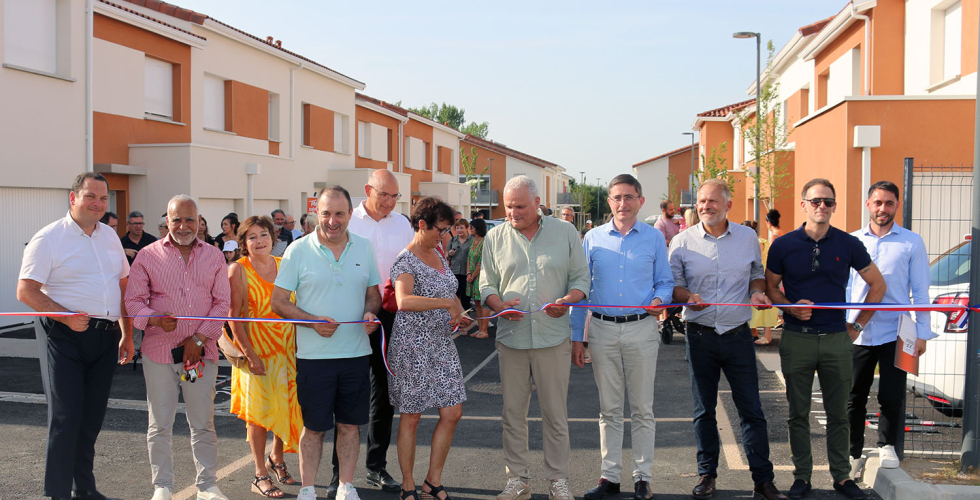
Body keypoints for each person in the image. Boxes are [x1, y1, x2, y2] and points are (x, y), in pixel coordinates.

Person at [765, 178, 886, 500]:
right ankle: (802, 477)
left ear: (834, 206)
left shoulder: (848, 244)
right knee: (798, 413)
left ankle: (842, 478)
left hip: (836, 339)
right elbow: (771, 288)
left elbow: (878, 286)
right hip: (797, 339)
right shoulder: (783, 245)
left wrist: (856, 327)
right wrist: (789, 307)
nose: (822, 207)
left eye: (828, 202)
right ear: (803, 204)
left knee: (839, 414)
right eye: (816, 201)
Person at [17, 172, 134, 500]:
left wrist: (127, 334)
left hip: (106, 338)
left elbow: (122, 286)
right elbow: (25, 290)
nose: (97, 204)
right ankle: (56, 494)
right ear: (73, 198)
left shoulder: (110, 235)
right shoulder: (49, 238)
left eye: (102, 198)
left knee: (91, 419)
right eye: (90, 196)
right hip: (64, 337)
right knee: (66, 416)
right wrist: (65, 316)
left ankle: (83, 489)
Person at [668, 179, 786, 500]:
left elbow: (755, 274)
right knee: (703, 410)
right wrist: (687, 296)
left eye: (713, 201)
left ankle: (763, 480)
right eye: (702, 202)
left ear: (728, 205)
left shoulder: (748, 238)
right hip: (700, 335)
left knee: (751, 410)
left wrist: (758, 291)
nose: (706, 206)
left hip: (737, 336)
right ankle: (707, 475)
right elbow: (673, 286)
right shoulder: (681, 242)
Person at [481, 175, 590, 500]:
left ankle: (557, 480)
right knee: (512, 414)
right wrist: (497, 303)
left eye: (520, 207)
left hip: (552, 338)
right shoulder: (495, 237)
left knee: (554, 414)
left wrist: (568, 301)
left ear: (538, 203)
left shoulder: (566, 232)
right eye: (508, 207)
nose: (513, 213)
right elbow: (486, 283)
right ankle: (518, 480)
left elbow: (581, 278)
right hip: (511, 339)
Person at [271, 185, 382, 500]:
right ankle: (308, 489)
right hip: (313, 358)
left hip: (356, 354)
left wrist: (371, 313)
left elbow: (373, 294)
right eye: (326, 214)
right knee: (315, 428)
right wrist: (311, 321)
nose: (333, 221)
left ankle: (346, 486)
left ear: (349, 214)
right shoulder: (298, 250)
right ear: (315, 214)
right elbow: (278, 302)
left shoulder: (364, 247)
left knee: (349, 426)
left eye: (339, 214)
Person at [570, 174, 673, 500]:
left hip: (642, 328)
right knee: (609, 410)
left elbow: (665, 282)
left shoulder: (654, 238)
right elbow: (581, 289)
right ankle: (609, 477)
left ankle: (643, 477)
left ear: (640, 201)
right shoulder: (593, 238)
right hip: (601, 330)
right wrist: (577, 336)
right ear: (610, 202)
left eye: (629, 197)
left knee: (643, 408)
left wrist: (660, 301)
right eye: (617, 197)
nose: (622, 203)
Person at [125, 195, 231, 500]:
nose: (183, 226)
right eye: (176, 220)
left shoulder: (213, 257)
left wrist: (198, 340)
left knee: (201, 421)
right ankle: (163, 486)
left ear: (198, 222)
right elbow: (133, 303)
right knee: (160, 423)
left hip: (196, 357)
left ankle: (207, 485)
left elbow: (222, 304)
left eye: (189, 220)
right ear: (166, 222)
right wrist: (154, 319)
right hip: (159, 356)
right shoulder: (147, 256)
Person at [388, 198, 472, 500]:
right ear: (421, 224)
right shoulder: (405, 260)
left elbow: (449, 291)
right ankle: (408, 484)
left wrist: (459, 314)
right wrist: (446, 304)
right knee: (411, 416)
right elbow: (404, 301)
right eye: (441, 229)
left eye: (449, 229)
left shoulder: (438, 251)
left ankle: (432, 480)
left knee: (453, 412)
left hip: (441, 344)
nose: (446, 235)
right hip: (413, 345)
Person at [847, 181, 933, 474]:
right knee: (853, 395)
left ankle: (887, 446)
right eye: (878, 203)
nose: (883, 209)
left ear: (897, 205)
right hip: (857, 331)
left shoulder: (912, 242)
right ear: (868, 204)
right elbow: (844, 288)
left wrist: (923, 332)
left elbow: (921, 291)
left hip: (898, 331)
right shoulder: (852, 241)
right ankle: (852, 452)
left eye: (889, 203)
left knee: (892, 395)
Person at [337, 168, 413, 496]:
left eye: (395, 196)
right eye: (384, 194)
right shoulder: (346, 221)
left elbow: (413, 263)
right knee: (348, 392)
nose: (390, 202)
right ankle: (339, 473)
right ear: (367, 189)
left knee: (384, 393)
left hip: (391, 315)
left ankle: (375, 466)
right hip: (352, 316)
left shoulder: (402, 223)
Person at [228, 215, 303, 498]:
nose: (259, 241)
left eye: (264, 235)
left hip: (287, 351)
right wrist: (250, 354)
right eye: (252, 237)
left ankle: (277, 459)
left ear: (273, 237)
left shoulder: (285, 266)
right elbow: (234, 317)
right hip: (257, 350)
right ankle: (260, 473)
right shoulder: (238, 270)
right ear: (244, 242)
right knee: (258, 415)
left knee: (283, 406)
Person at [741, 221, 778, 345]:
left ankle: (767, 335)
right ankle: (754, 332)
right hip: (754, 277)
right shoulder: (753, 242)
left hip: (761, 276)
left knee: (764, 308)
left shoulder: (758, 242)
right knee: (752, 307)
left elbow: (754, 259)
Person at [466, 219, 488, 338]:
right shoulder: (473, 241)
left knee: (483, 303)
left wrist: (473, 275)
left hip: (481, 276)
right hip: (472, 276)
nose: (470, 229)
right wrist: (468, 273)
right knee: (477, 303)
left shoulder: (485, 242)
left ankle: (484, 330)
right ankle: (480, 329)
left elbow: (482, 261)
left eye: (472, 227)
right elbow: (469, 258)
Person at [447, 218, 472, 312]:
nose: (459, 230)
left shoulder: (472, 240)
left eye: (461, 228)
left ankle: (466, 319)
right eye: (457, 228)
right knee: (454, 297)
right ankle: (456, 318)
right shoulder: (453, 240)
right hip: (454, 272)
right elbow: (447, 257)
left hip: (467, 273)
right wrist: (450, 254)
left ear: (467, 228)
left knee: (466, 298)